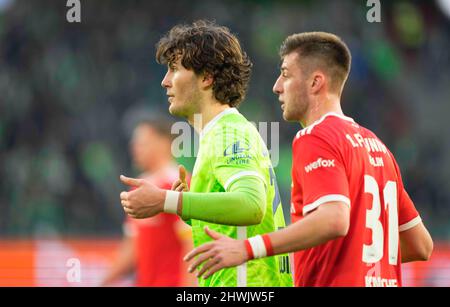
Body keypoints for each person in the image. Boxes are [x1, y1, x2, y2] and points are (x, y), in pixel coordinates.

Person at [184, 32, 434, 287]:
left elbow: (334, 219)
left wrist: (249, 248)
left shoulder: (316, 137)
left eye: (286, 74)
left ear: (315, 82)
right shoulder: (378, 148)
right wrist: (354, 258)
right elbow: (420, 244)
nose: (277, 86)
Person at [119, 20, 292, 287]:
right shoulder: (218, 134)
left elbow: (251, 204)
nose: (165, 82)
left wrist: (167, 201)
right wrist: (190, 206)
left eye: (174, 69)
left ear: (207, 77)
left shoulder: (228, 133)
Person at [102, 118, 195, 286]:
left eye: (142, 143)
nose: (135, 149)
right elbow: (133, 247)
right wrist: (103, 282)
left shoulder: (179, 184)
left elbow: (192, 244)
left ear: (164, 143)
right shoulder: (138, 188)